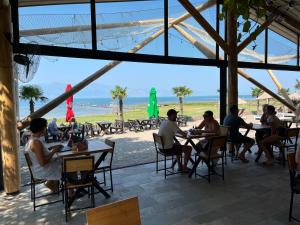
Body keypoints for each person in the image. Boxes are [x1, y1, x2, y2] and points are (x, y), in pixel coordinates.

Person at [25, 118, 62, 192]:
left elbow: (40, 154)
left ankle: (53, 184)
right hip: (43, 170)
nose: (47, 128)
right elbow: (42, 162)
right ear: (41, 128)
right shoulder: (36, 142)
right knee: (67, 163)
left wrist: (51, 149)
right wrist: (53, 151)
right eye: (46, 126)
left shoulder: (32, 139)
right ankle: (71, 189)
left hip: (38, 169)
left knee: (63, 161)